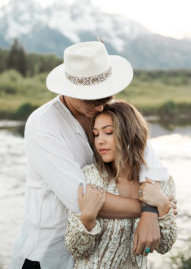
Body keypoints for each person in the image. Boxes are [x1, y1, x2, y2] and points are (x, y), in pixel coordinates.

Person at [10, 41, 169, 269]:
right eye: (90, 97)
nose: (100, 104)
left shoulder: (109, 110)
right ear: (67, 89)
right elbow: (82, 199)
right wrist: (148, 209)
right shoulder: (43, 125)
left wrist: (152, 211)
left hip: (94, 259)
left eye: (105, 94)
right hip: (47, 256)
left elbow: (151, 165)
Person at [65, 100, 177, 268]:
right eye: (96, 134)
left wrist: (162, 205)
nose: (99, 141)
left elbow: (164, 246)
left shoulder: (161, 183)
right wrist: (87, 220)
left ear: (129, 132)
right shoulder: (89, 177)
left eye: (108, 132)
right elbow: (77, 250)